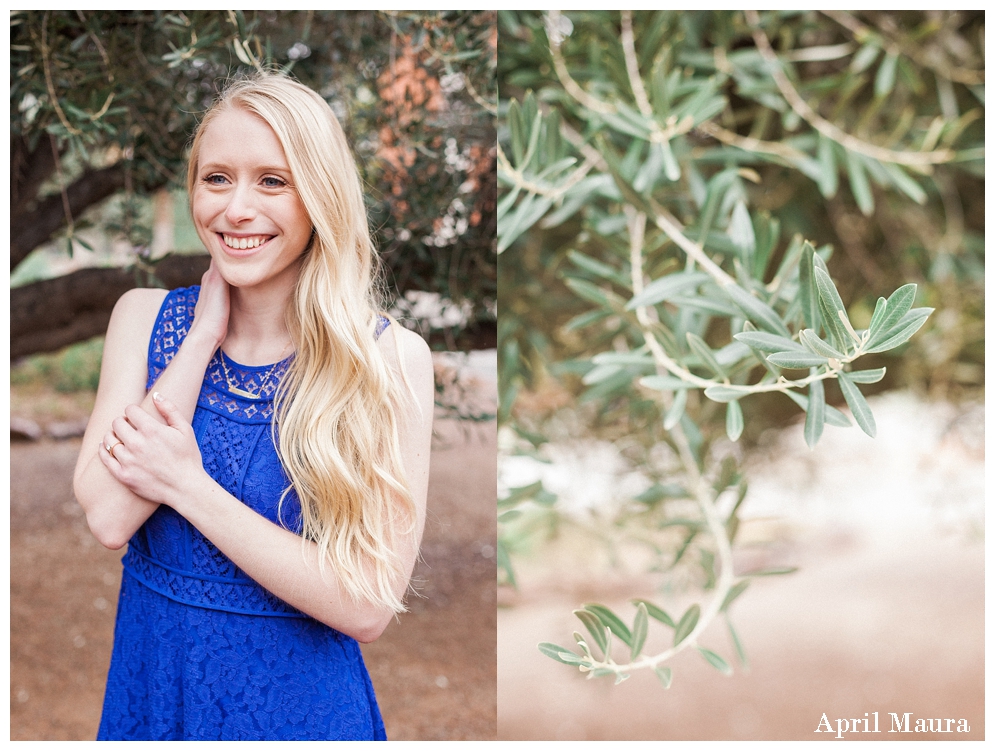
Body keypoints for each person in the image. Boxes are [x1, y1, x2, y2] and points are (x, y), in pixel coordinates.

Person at [72, 72, 434, 741]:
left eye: (272, 181)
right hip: (155, 695)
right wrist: (201, 339)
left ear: (318, 197)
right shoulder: (146, 320)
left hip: (300, 713)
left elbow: (364, 603)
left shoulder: (387, 359)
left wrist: (186, 484)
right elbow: (110, 514)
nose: (236, 208)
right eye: (217, 179)